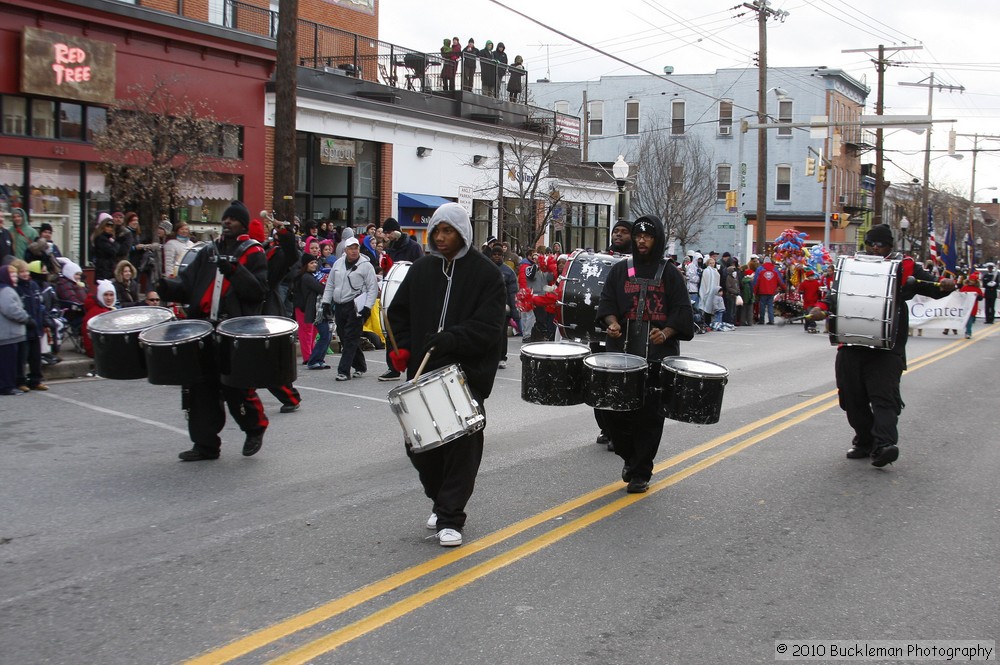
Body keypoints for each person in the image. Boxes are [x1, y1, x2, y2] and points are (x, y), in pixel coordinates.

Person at [386, 203, 505, 547]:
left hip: (465, 374)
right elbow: (398, 314)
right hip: (423, 372)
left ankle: (451, 516)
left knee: (460, 447)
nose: (440, 237)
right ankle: (442, 502)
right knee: (419, 447)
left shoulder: (486, 275)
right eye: (436, 230)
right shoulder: (422, 269)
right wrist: (403, 348)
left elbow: (490, 327)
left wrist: (453, 338)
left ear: (462, 233)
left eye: (447, 231)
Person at [157, 200, 270, 462]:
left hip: (233, 329)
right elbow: (186, 285)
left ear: (242, 223)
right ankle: (205, 445)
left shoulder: (253, 253)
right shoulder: (207, 251)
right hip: (203, 328)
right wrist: (166, 286)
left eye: (232, 219)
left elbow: (257, 291)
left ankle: (255, 428)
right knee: (200, 388)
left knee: (236, 387)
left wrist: (234, 270)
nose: (227, 222)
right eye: (225, 218)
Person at [835, 224, 955, 468]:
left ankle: (884, 446)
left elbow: (933, 287)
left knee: (884, 398)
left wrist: (945, 285)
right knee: (851, 398)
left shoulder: (906, 267)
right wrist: (821, 309)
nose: (876, 248)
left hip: (888, 345)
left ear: (890, 246)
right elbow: (835, 296)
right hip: (851, 343)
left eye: (881, 244)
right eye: (871, 244)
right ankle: (865, 441)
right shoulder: (851, 266)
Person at [596, 215, 696, 492]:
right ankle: (630, 457)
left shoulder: (669, 273)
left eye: (647, 236)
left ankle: (641, 472)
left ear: (658, 239)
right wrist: (611, 322)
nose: (641, 241)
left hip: (656, 358)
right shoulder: (620, 270)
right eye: (638, 236)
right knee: (613, 414)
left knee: (649, 417)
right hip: (622, 357)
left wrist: (666, 332)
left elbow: (683, 313)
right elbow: (606, 303)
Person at [320, 236, 377, 381]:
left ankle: (343, 371)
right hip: (340, 305)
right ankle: (360, 365)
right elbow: (330, 285)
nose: (354, 251)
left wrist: (367, 307)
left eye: (356, 248)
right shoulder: (338, 264)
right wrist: (326, 302)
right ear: (345, 250)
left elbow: (372, 288)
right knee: (344, 336)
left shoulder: (366, 266)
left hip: (355, 305)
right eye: (351, 248)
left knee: (351, 337)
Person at [378, 217, 425, 381]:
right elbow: (388, 272)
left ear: (397, 231)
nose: (387, 236)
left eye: (389, 232)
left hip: (409, 293)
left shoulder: (413, 247)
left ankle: (414, 364)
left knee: (409, 330)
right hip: (393, 294)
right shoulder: (390, 247)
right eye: (386, 233)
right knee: (390, 328)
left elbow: (419, 268)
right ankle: (393, 367)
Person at [11, 259, 47, 392]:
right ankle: (20, 381)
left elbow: (40, 306)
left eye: (26, 271)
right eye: (22, 272)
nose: (25, 274)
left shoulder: (33, 286)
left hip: (36, 326)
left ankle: (36, 380)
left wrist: (43, 320)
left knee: (35, 357)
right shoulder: (16, 289)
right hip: (24, 328)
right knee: (22, 357)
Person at [0, 264, 30, 395]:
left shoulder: (8, 289)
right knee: (8, 363)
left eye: (15, 274)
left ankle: (10, 385)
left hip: (10, 333)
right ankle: (7, 386)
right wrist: (25, 317)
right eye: (12, 275)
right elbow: (11, 310)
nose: (15, 277)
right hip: (9, 334)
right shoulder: (6, 290)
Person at [489, 245, 518, 369]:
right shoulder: (486, 268)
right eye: (494, 254)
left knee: (502, 334)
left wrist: (515, 311)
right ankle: (490, 357)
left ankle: (502, 357)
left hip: (503, 308)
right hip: (488, 307)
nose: (496, 256)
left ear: (502, 256)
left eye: (499, 254)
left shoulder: (508, 272)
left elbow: (513, 292)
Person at [82, 280, 119, 358]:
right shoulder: (99, 312)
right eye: (105, 295)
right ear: (100, 295)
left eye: (111, 295)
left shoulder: (108, 309)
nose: (109, 298)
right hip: (97, 349)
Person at [753, 258, 785, 325]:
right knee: (770, 305)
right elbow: (780, 280)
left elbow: (756, 281)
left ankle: (762, 320)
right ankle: (771, 320)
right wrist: (784, 288)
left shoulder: (760, 269)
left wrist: (754, 290)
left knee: (762, 306)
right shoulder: (775, 269)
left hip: (762, 291)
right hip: (772, 291)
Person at [91, 213, 119, 281]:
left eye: (111, 226)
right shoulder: (101, 239)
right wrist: (114, 243)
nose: (110, 228)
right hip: (103, 270)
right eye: (107, 226)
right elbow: (113, 251)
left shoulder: (108, 239)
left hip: (109, 269)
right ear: (103, 227)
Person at [959, 272, 984, 339]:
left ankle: (968, 332)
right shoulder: (965, 287)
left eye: (973, 280)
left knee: (970, 321)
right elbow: (960, 296)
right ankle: (968, 332)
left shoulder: (977, 289)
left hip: (973, 307)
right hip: (966, 306)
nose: (972, 282)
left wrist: (977, 296)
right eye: (971, 280)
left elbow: (981, 298)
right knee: (968, 321)